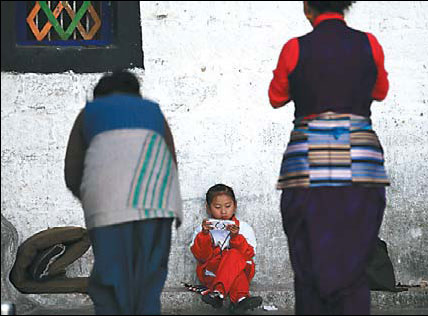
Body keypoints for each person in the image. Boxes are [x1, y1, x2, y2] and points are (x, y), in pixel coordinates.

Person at [269, 1, 389, 315]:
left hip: (306, 163)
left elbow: (275, 97)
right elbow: (380, 91)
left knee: (308, 262)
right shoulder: (369, 44)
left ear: (308, 8)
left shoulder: (294, 49)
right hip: (362, 162)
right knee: (354, 258)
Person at [64, 69, 183, 315]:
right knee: (148, 283)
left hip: (107, 203)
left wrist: (94, 201)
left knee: (111, 283)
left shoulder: (89, 113)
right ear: (135, 94)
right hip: (157, 203)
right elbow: (171, 160)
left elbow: (72, 171)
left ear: (100, 95)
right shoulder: (153, 111)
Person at [190, 184, 263, 313]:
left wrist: (236, 237)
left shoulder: (245, 228)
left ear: (235, 205)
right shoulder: (203, 230)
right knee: (230, 263)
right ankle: (241, 299)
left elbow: (249, 254)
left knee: (234, 255)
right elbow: (201, 257)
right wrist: (205, 236)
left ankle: (218, 294)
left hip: (240, 271)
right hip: (213, 273)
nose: (223, 211)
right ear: (208, 208)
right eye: (217, 207)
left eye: (227, 206)